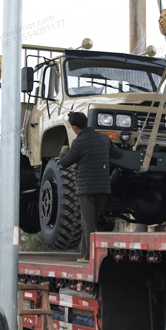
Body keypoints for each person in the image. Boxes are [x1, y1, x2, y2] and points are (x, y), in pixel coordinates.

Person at [60, 112, 123, 263]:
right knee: (91, 222)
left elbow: (64, 163)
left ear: (75, 128)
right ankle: (84, 254)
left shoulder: (79, 142)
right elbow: (119, 154)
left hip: (86, 188)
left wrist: (63, 150)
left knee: (88, 223)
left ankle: (88, 257)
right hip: (103, 187)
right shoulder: (104, 138)